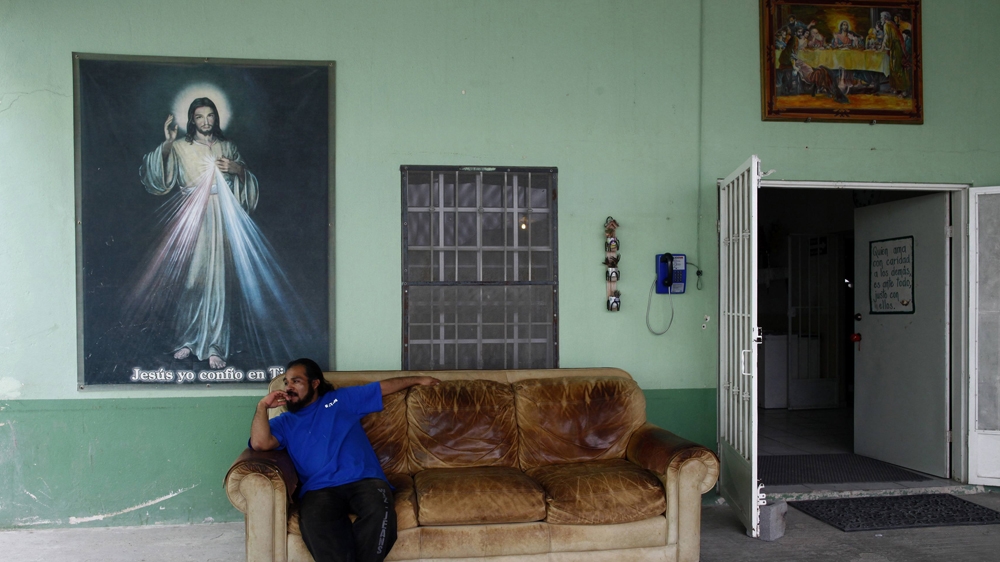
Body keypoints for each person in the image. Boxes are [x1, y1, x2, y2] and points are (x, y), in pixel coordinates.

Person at [250, 358, 439, 562]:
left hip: (364, 480)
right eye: (286, 382)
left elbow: (381, 388)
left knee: (380, 512)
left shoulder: (340, 400)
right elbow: (260, 443)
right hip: (319, 488)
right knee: (315, 523)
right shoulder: (285, 422)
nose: (289, 388)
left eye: (296, 381)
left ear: (315, 384)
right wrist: (262, 407)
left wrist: (418, 379)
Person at [137, 97, 258, 369]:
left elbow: (248, 185)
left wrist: (238, 169)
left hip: (222, 218)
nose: (206, 121)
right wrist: (168, 142)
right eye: (200, 116)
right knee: (192, 281)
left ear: (216, 117)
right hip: (192, 217)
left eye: (210, 115)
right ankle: (188, 340)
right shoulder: (180, 146)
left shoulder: (228, 147)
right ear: (192, 120)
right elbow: (158, 179)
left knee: (219, 282)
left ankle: (216, 344)